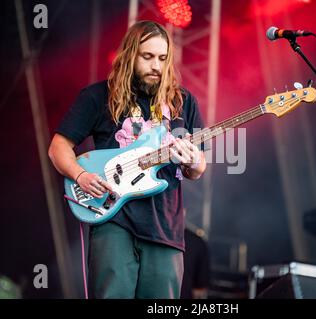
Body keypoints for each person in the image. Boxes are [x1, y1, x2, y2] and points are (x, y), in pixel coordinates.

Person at [48, 20, 207, 299]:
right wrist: (81, 175)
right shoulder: (98, 97)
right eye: (147, 57)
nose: (156, 66)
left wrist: (193, 160)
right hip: (113, 220)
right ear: (130, 55)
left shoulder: (184, 102)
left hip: (165, 229)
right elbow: (58, 147)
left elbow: (197, 169)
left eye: (162, 58)